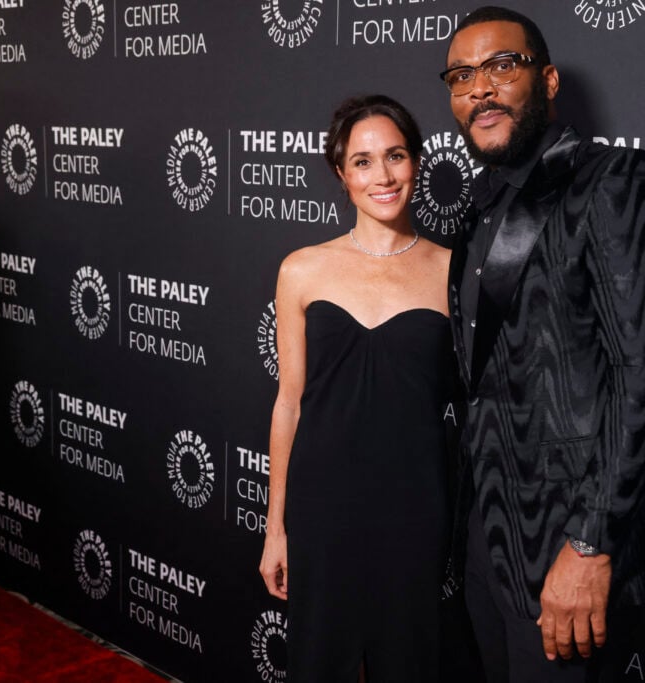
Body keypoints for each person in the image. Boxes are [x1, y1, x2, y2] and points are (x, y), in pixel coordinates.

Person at [441, 7, 645, 681]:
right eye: (462, 76)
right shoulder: (478, 208)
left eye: (501, 66)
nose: (480, 89)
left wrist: (591, 543)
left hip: (571, 545)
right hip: (489, 540)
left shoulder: (615, 181)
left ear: (546, 80)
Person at [258, 94, 454, 683]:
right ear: (341, 174)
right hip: (323, 508)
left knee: (410, 665)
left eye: (395, 156)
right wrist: (276, 529)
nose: (384, 176)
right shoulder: (303, 268)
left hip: (416, 507)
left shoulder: (453, 270)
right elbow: (289, 402)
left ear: (416, 162)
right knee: (321, 666)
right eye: (364, 161)